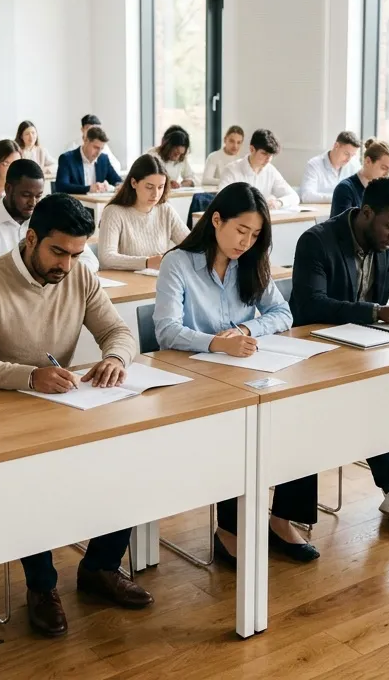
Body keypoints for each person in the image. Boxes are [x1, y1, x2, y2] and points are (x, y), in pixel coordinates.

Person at [0, 194, 151, 638]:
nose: (67, 264)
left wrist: (116, 357)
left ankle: (100, 568)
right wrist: (29, 376)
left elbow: (118, 331)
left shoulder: (81, 276)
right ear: (31, 237)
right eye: (58, 252)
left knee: (129, 458)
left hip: (63, 406)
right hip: (1, 415)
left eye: (77, 254)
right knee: (30, 480)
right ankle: (41, 586)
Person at [153, 183, 317, 563]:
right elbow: (166, 329)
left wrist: (245, 330)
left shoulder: (251, 262)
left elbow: (282, 314)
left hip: (244, 370)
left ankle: (282, 518)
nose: (246, 242)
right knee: (238, 424)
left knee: (300, 411)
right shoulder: (178, 263)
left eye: (256, 235)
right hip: (194, 379)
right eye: (241, 230)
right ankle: (230, 529)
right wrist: (215, 342)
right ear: (216, 220)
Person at [290, 177, 389, 531]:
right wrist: (377, 311)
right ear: (366, 213)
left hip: (368, 348)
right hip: (318, 351)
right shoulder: (317, 241)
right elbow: (312, 304)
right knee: (368, 397)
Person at [0, 160, 98, 286]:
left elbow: (90, 261)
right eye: (26, 195)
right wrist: (14, 280)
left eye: (38, 196)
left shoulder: (49, 218)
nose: (33, 203)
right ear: (8, 189)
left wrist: (57, 273)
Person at [97, 154, 188, 270]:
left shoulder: (165, 210)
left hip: (157, 280)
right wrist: (147, 262)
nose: (156, 194)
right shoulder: (114, 212)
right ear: (134, 183)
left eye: (160, 187)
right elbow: (106, 258)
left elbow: (191, 244)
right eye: (149, 187)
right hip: (126, 283)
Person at [330, 140, 389, 236]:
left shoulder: (387, 188)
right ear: (368, 161)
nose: (388, 174)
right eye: (384, 168)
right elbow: (341, 229)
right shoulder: (345, 189)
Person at [217, 129, 299, 209]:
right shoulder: (231, 170)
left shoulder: (271, 171)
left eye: (271, 155)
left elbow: (294, 197)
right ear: (252, 149)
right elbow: (220, 201)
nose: (268, 160)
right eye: (264, 154)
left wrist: (278, 203)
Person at [55, 125, 123, 195]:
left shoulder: (103, 159)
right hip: (75, 203)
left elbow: (117, 180)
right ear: (85, 141)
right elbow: (61, 186)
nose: (98, 152)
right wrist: (89, 188)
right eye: (96, 147)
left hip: (96, 203)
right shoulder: (67, 158)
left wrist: (119, 186)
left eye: (101, 148)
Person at [299, 131, 360, 202]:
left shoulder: (354, 165)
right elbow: (306, 196)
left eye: (352, 155)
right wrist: (339, 198)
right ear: (336, 146)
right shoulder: (314, 165)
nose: (349, 159)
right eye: (346, 153)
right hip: (320, 212)